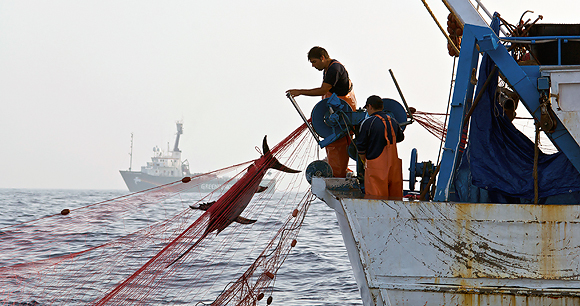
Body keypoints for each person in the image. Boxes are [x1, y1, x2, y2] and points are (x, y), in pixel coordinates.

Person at [286, 46, 357, 178]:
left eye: (314, 62)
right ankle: (337, 168)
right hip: (336, 111)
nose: (313, 65)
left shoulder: (334, 69)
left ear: (322, 58)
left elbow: (323, 90)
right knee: (333, 142)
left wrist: (300, 92)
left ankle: (338, 175)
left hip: (343, 112)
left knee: (338, 142)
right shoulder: (328, 69)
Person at [357, 95, 404, 198]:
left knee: (376, 200)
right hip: (394, 167)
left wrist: (364, 162)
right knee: (395, 199)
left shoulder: (368, 122)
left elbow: (360, 147)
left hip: (376, 169)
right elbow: (400, 138)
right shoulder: (393, 122)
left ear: (369, 106)